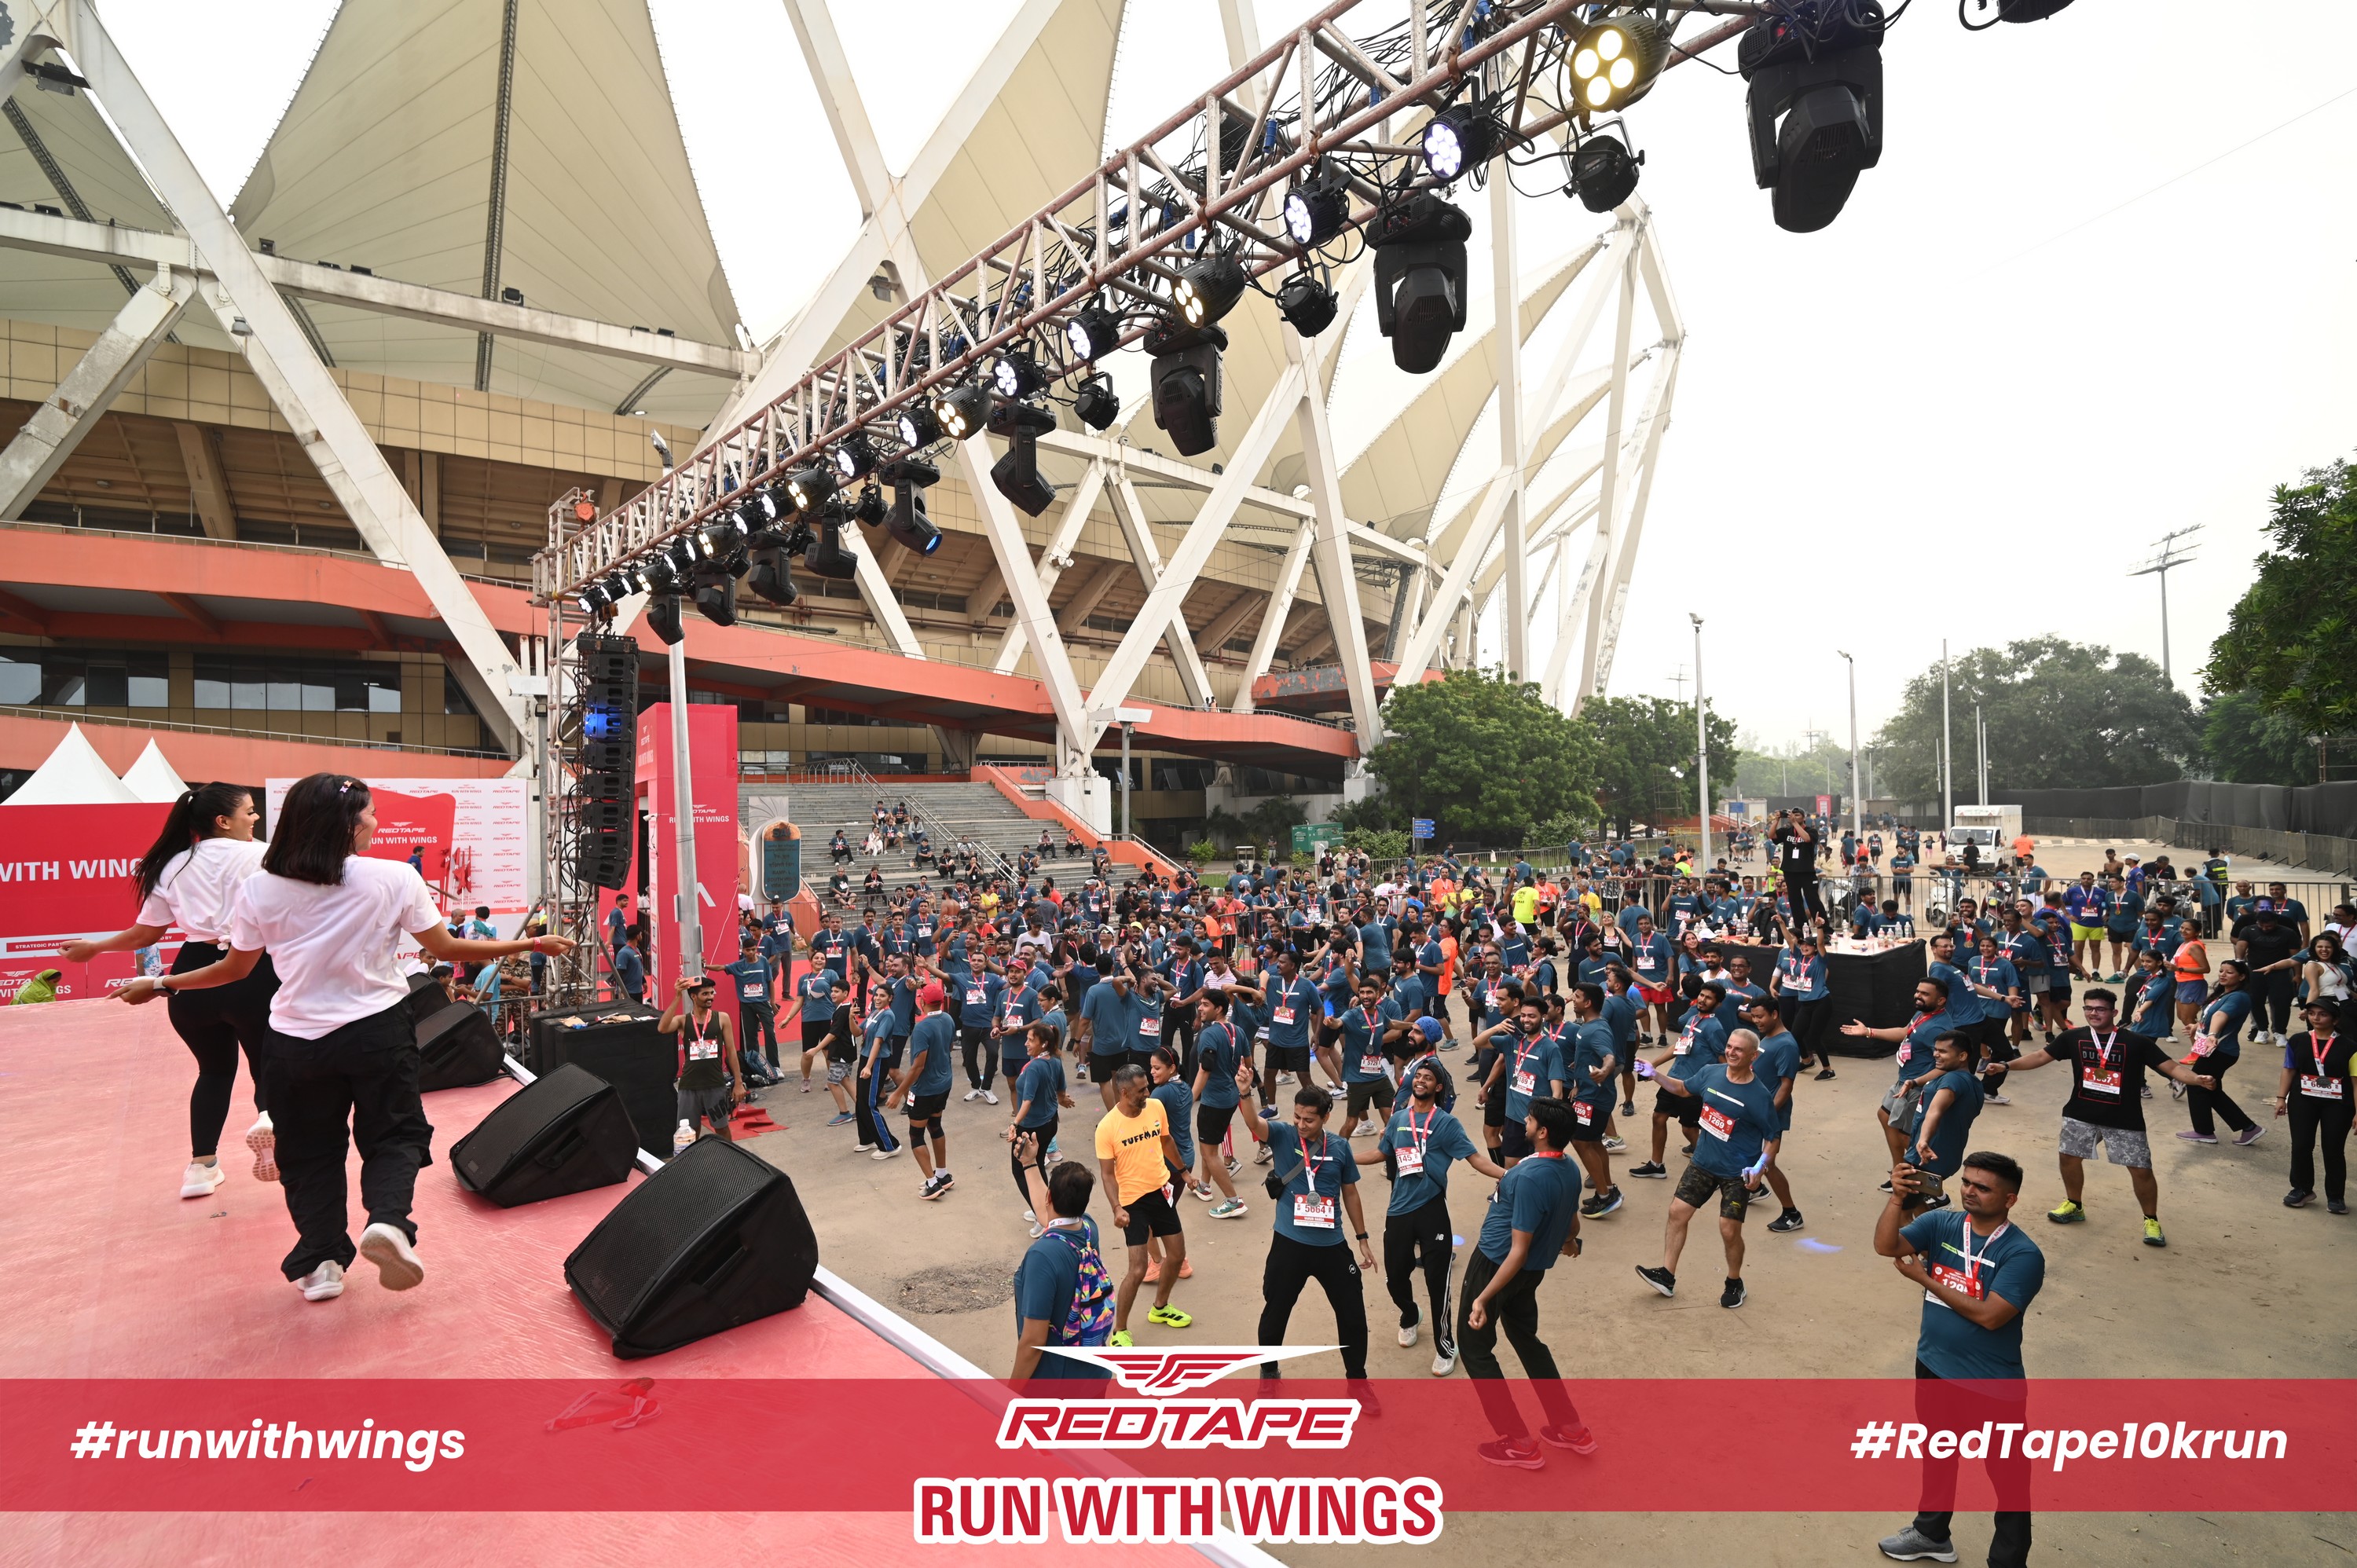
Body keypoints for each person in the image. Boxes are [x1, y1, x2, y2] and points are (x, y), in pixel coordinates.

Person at [119, 774, 570, 1302]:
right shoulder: (394, 877)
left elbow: (233, 969)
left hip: (295, 1040)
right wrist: (530, 944)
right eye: (371, 813)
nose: (377, 821)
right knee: (394, 1134)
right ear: (349, 824)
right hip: (378, 1031)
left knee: (308, 1151)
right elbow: (448, 949)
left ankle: (322, 1263)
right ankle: (388, 1221)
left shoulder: (260, 887)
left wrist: (162, 983)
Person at [64, 782, 278, 1198]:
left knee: (213, 1071)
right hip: (252, 970)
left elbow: (145, 934)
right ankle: (269, 1118)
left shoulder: (171, 864)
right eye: (250, 811)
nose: (255, 818)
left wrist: (96, 947)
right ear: (223, 821)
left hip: (190, 978)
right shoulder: (265, 856)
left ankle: (200, 1168)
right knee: (269, 1063)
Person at [1871, 1151, 2042, 1568]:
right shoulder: (1941, 1224)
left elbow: (1990, 1316)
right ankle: (1932, 1534)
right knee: (1938, 1454)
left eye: (1983, 1188)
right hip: (1933, 1366)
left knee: (2009, 1478)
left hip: (1991, 1385)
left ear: (2010, 1199)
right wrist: (1897, 1199)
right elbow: (1886, 1245)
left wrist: (1925, 1279)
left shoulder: (2023, 1254)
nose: (1969, 1191)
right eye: (1967, 1182)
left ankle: (2007, 1562)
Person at [1990, 987, 2217, 1248]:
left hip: (2124, 1117)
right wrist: (2007, 1066)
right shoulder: (2073, 1037)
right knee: (2069, 1158)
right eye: (2088, 1008)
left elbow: (2172, 1067)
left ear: (2114, 1012)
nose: (2093, 1013)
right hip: (2080, 1113)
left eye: (2100, 1009)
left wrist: (2197, 1079)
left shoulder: (2136, 1042)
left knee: (2141, 1170)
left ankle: (2151, 1220)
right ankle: (2074, 1205)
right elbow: (2041, 1056)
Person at [1460, 1097, 1595, 1468]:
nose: (1525, 1122)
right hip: (1531, 1273)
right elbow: (1571, 1221)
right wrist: (1568, 1242)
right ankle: (1570, 1427)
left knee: (1474, 1348)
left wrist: (1482, 1298)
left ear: (1543, 1131)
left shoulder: (1527, 1177)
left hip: (1496, 1266)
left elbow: (1517, 1251)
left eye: (1530, 1119)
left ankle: (1518, 1441)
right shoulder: (1568, 1167)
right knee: (1527, 1340)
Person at [1355, 1055, 1503, 1376]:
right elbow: (1381, 1153)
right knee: (1395, 1277)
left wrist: (1508, 1175)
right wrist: (1347, 1158)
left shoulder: (1447, 1124)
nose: (1420, 1080)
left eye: (1428, 1078)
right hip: (1399, 1210)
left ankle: (1446, 1345)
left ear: (1438, 1088)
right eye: (1418, 1076)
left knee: (1438, 1282)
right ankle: (1410, 1314)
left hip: (1432, 1209)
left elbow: (1475, 1159)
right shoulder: (1398, 1119)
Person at [1633, 1028, 1783, 1308]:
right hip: (1703, 1161)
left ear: (1753, 1056)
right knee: (1677, 1212)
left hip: (1737, 1173)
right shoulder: (1711, 1073)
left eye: (1739, 1049)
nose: (1731, 1052)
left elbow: (1773, 1138)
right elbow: (1683, 1088)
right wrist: (1654, 1074)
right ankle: (1667, 1276)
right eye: (1729, 1046)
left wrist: (1760, 1168)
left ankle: (1734, 1282)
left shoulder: (1759, 1096)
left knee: (1728, 1230)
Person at [1248, 1078, 1376, 1387]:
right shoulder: (1283, 1135)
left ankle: (1357, 1381)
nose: (1301, 1125)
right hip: (1289, 1244)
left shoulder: (1340, 1147)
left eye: (1309, 1119)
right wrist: (1243, 1093)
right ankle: (1269, 1372)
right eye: (1297, 1117)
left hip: (1331, 1245)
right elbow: (1253, 1123)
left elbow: (1350, 1193)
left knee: (1353, 1315)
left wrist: (1362, 1238)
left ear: (1325, 1117)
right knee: (1275, 1312)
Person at [1093, 1064, 1192, 1345]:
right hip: (1132, 1203)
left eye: (1147, 1086)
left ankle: (1160, 1308)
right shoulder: (1107, 1127)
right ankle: (1119, 1330)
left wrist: (1184, 1172)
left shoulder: (1156, 1108)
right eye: (1141, 1090)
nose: (1148, 1093)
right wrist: (1116, 1207)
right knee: (1138, 1269)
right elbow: (1107, 1174)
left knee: (1177, 1255)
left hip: (1160, 1192)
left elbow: (1166, 1141)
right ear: (1125, 1093)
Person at [1010, 1151, 1114, 1379]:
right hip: (1094, 1372)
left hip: (1057, 1380)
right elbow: (1049, 1216)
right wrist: (1029, 1163)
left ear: (1049, 1196)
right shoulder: (1088, 1228)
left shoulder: (1042, 1255)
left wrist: (1009, 1392)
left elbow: (1034, 1341)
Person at [2275, 997, 2353, 1213]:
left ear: (2335, 1020)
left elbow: (2356, 1082)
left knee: (2333, 1148)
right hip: (2303, 1100)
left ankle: (2336, 1196)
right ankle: (2302, 1189)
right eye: (2312, 1014)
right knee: (2301, 1145)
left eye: (2323, 1014)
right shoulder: (2297, 1041)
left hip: (2338, 1104)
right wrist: (2281, 1098)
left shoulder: (2350, 1047)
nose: (2316, 1018)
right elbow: (2289, 1069)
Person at [885, 981, 957, 1199]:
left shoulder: (922, 1028)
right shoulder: (948, 1019)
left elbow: (918, 1066)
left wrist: (898, 1092)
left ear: (923, 1002)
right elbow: (949, 1047)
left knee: (916, 1135)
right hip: (944, 1084)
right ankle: (943, 1174)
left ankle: (932, 1184)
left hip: (924, 1089)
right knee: (935, 1126)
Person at [2179, 961, 2264, 1148]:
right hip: (2216, 1051)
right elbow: (2211, 1015)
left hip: (2221, 1051)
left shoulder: (2239, 997)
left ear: (2242, 977)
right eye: (2221, 971)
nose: (2223, 975)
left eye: (2229, 972)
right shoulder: (2224, 994)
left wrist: (2212, 1035)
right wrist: (2196, 1026)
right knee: (2211, 1090)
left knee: (2196, 1084)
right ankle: (2249, 1128)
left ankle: (2204, 1132)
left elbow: (2220, 1016)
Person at [1902, 1033, 1987, 1213]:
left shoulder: (1952, 1080)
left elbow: (1935, 1111)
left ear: (1962, 1056)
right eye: (1935, 1050)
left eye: (1943, 1051)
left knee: (1902, 1208)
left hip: (1926, 1159)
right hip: (1943, 1156)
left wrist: (1923, 1141)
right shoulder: (1972, 1082)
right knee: (1915, 1202)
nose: (1935, 1054)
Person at [659, 974, 746, 1147]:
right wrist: (677, 996)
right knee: (689, 1132)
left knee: (722, 1128)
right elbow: (662, 1028)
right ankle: (691, 1161)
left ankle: (730, 1158)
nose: (710, 997)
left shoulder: (722, 1018)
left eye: (712, 993)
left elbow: (731, 1052)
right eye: (705, 994)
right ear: (693, 996)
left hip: (715, 1085)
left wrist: (738, 1083)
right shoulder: (683, 1021)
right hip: (689, 1087)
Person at [1006, 1021, 1072, 1233]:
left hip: (1030, 1129)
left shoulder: (1035, 1067)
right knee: (1038, 1167)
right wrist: (1063, 1101)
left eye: (1030, 1040)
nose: (1026, 1043)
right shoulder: (1054, 1059)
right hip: (1049, 1124)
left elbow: (1027, 1101)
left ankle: (1042, 1216)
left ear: (1044, 1044)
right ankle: (1046, 1209)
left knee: (1021, 1170)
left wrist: (1014, 1124)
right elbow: (1061, 1092)